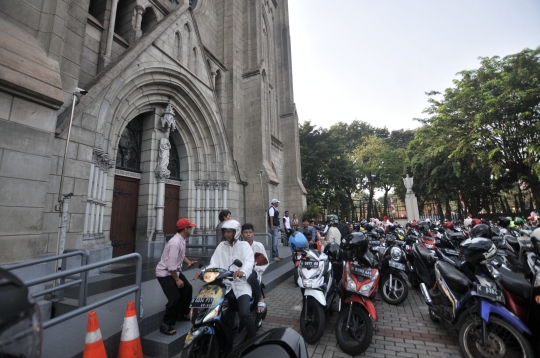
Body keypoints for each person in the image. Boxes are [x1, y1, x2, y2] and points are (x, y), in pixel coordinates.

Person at [196, 220, 256, 340]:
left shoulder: (244, 246)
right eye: (225, 232)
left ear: (237, 232)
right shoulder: (221, 246)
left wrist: (242, 271)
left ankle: (253, 338)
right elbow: (213, 263)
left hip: (241, 284)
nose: (226, 234)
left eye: (229, 232)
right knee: (213, 309)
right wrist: (203, 271)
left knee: (244, 313)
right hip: (224, 284)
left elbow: (249, 262)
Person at [156, 218, 197, 335]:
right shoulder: (175, 243)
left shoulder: (181, 240)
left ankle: (182, 313)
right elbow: (171, 266)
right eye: (190, 227)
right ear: (185, 229)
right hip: (165, 273)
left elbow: (181, 255)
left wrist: (188, 262)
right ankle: (165, 324)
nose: (191, 229)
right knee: (174, 298)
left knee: (187, 289)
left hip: (174, 271)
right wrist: (177, 280)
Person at [241, 223, 268, 314]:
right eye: (245, 232)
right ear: (241, 234)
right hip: (241, 273)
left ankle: (260, 297)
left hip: (255, 272)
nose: (248, 234)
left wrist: (254, 269)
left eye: (250, 232)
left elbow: (264, 262)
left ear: (253, 234)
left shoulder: (258, 246)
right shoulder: (239, 246)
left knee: (250, 275)